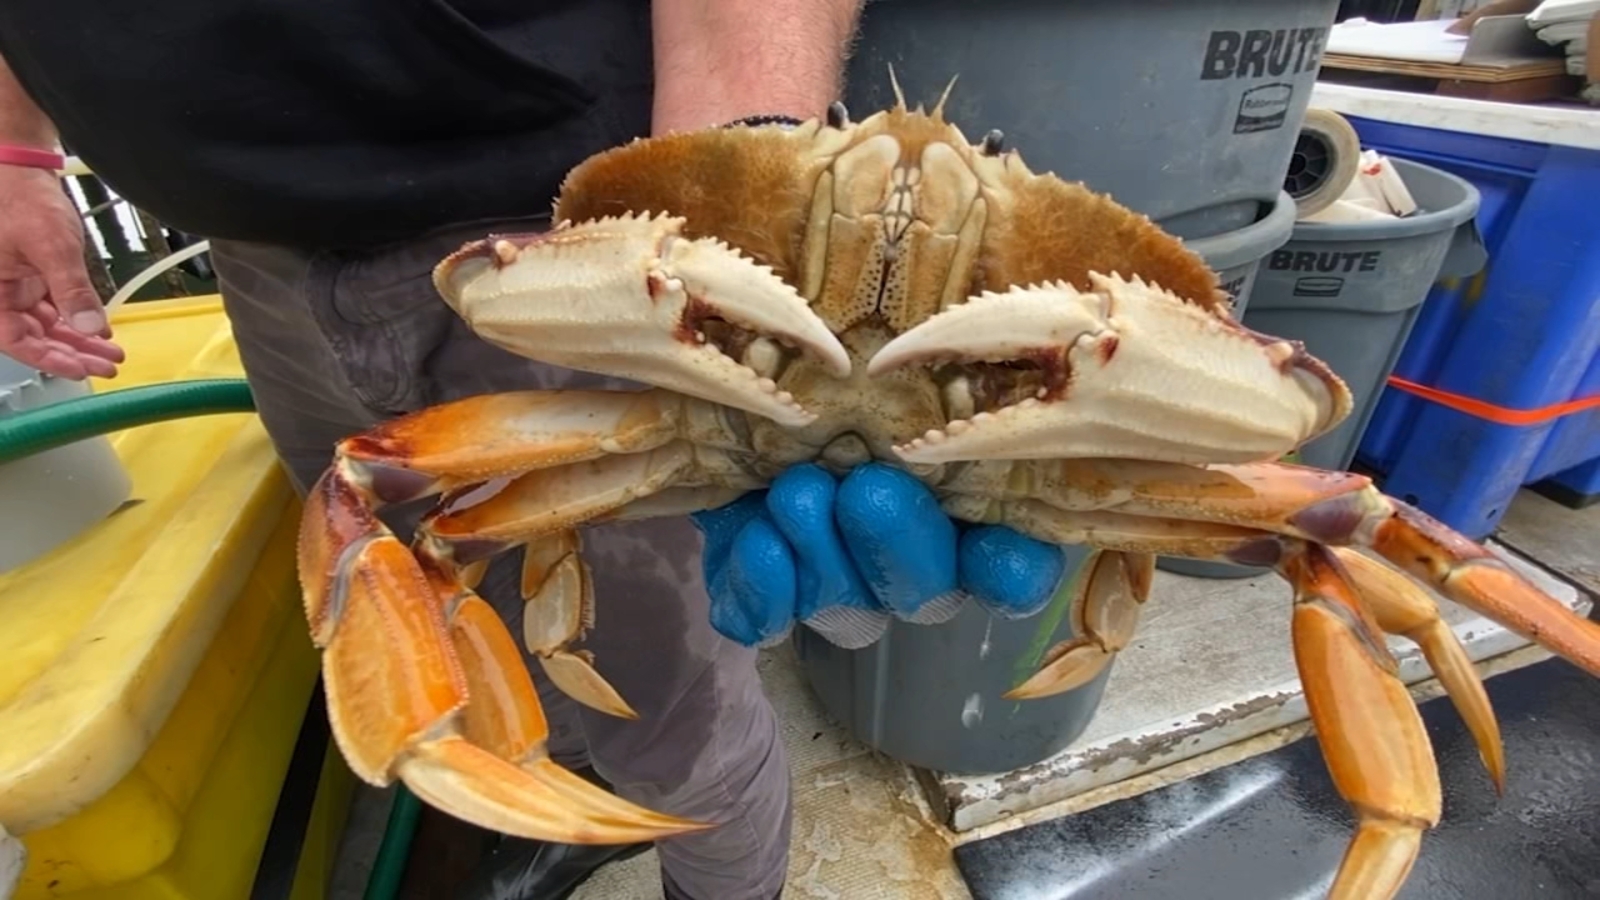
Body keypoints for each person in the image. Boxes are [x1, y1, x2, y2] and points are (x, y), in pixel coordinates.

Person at [0, 4, 1067, 898]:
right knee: (398, 562)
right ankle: (556, 794)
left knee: (672, 697)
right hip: (251, 241)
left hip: (573, 235)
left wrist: (720, 203)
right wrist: (14, 149)